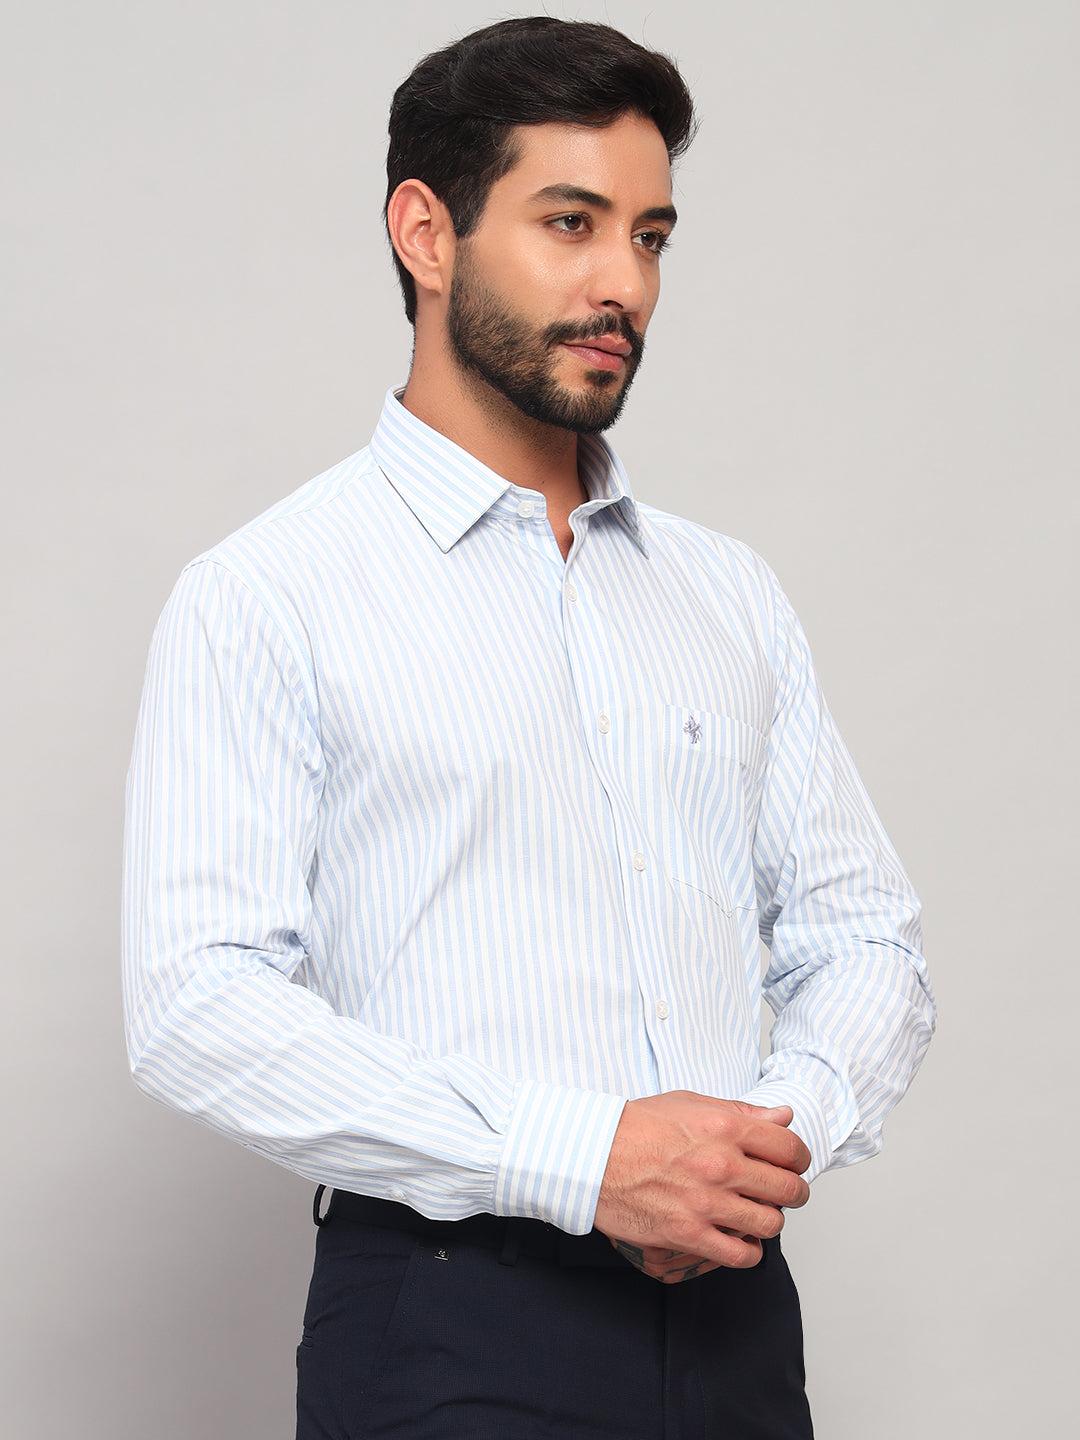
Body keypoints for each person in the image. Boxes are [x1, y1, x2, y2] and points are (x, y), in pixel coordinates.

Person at [122, 16, 935, 1439]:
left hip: (736, 1318)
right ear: (425, 234)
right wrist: (584, 1158)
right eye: (571, 223)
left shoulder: (727, 593)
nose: (624, 283)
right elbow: (199, 1004)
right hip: (451, 1318)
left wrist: (766, 1141)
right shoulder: (269, 594)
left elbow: (865, 935)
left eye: (651, 236)